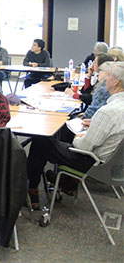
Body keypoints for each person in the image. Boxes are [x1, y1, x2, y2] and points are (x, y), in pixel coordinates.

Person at [27, 62, 124, 209]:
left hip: (91, 161)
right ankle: (47, 186)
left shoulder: (108, 112)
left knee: (41, 139)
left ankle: (31, 190)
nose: (105, 78)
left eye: (109, 75)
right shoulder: (117, 108)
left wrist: (79, 135)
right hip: (112, 164)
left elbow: (83, 145)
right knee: (48, 140)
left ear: (116, 81)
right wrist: (95, 125)